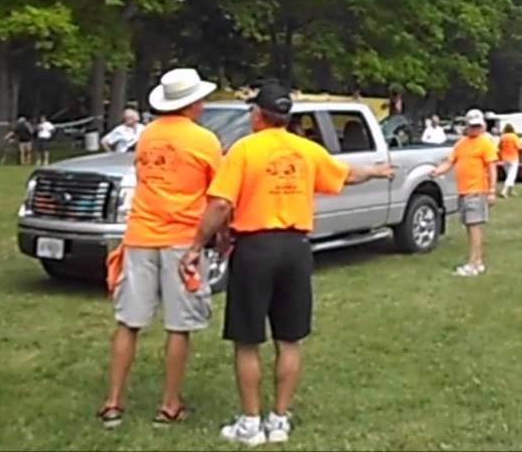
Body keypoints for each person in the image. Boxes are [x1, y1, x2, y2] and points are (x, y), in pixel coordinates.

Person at [180, 80, 394, 445]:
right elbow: (343, 174)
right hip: (295, 248)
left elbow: (219, 204)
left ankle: (250, 424)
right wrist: (375, 171)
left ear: (258, 114)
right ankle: (279, 420)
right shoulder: (306, 150)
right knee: (289, 339)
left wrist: (196, 245)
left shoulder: (245, 150)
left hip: (255, 248)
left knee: (247, 341)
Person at [98, 68, 223, 429]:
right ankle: (169, 404)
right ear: (192, 103)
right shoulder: (205, 141)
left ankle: (113, 402)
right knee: (178, 326)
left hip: (139, 235)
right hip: (183, 239)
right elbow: (219, 194)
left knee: (128, 322)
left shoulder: (148, 135)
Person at [430, 109, 498, 277]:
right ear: (466, 126)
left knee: (475, 227)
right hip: (464, 191)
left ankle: (473, 264)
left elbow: (492, 167)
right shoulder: (461, 144)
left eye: (478, 126)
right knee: (470, 226)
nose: (475, 129)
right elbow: (450, 162)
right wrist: (437, 171)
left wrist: (492, 191)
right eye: (472, 126)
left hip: (477, 190)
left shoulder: (485, 143)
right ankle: (478, 261)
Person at [498, 124, 522, 199]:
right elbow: (519, 147)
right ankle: (504, 191)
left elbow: (499, 147)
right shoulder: (514, 136)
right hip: (513, 158)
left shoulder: (503, 137)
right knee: (511, 175)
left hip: (504, 158)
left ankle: (511, 190)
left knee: (509, 174)